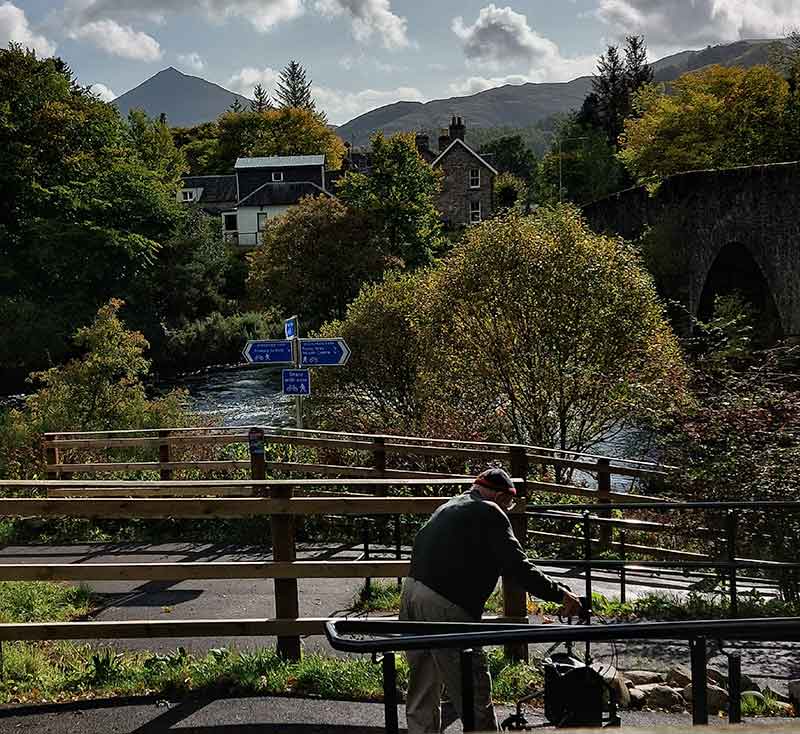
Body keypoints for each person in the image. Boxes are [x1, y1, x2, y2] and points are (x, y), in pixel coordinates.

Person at [400, 467, 582, 733]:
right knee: (472, 689)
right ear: (499, 496)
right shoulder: (490, 511)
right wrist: (559, 593)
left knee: (423, 685)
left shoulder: (451, 505)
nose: (509, 509)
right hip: (446, 604)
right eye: (509, 503)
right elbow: (518, 566)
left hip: (412, 593)